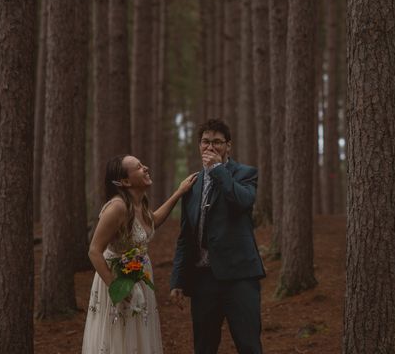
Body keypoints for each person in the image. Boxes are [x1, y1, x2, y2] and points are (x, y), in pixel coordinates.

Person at [82, 154, 198, 353]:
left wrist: (179, 193)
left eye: (143, 164)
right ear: (125, 181)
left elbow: (152, 221)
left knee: (138, 336)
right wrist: (116, 287)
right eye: (138, 167)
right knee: (120, 337)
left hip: (140, 276)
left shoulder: (139, 203)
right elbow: (94, 251)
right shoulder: (117, 207)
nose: (145, 168)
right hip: (118, 278)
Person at [170, 118, 265, 354]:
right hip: (203, 279)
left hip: (239, 277)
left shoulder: (245, 173)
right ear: (198, 145)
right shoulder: (191, 184)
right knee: (204, 346)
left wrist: (217, 170)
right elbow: (185, 236)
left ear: (228, 146)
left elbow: (242, 201)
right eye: (205, 142)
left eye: (217, 142)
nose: (210, 147)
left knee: (249, 345)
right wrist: (178, 280)